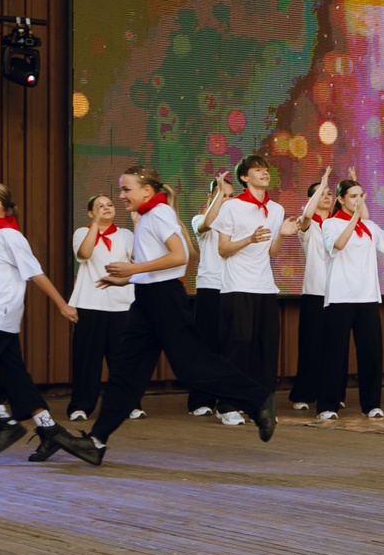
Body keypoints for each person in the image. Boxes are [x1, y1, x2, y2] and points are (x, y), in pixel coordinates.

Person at [74, 168, 283, 461]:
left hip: (165, 300)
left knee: (191, 366)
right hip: (148, 298)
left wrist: (132, 270)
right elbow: (161, 262)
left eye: (126, 189)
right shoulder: (148, 215)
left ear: (146, 190)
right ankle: (96, 441)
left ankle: (258, 398)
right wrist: (131, 279)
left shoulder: (158, 212)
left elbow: (180, 256)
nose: (121, 195)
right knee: (126, 371)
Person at [0, 184, 98, 462]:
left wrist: (62, 304)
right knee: (15, 376)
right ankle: (50, 431)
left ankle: (4, 423)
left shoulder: (10, 236)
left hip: (0, 313)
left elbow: (35, 273)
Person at [210, 155, 307, 425]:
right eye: (258, 170)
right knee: (238, 344)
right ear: (244, 177)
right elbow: (223, 249)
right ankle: (227, 404)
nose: (264, 173)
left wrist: (282, 234)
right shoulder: (231, 207)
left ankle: (261, 404)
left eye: (266, 169)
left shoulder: (275, 209)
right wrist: (249, 238)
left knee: (266, 347)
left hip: (265, 286)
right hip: (237, 286)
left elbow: (271, 252)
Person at [315, 178, 384, 420]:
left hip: (368, 296)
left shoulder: (369, 226)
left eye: (361, 195)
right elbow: (337, 246)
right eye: (353, 196)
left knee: (371, 353)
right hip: (340, 297)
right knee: (334, 354)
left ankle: (372, 404)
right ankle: (327, 406)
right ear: (341, 199)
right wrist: (354, 218)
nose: (358, 200)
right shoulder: (330, 224)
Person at [65, 194, 135, 422]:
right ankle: (80, 406)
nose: (106, 208)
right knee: (87, 359)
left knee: (122, 360)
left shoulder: (125, 235)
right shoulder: (82, 232)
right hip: (90, 303)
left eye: (109, 205)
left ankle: (128, 404)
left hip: (121, 304)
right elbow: (83, 254)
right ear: (90, 212)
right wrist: (95, 224)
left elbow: (137, 258)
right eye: (100, 206)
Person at [291, 177, 338, 410]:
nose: (328, 196)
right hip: (315, 292)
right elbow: (307, 215)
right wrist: (322, 182)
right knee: (311, 345)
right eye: (322, 192)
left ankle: (330, 393)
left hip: (338, 293)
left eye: (330, 192)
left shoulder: (337, 223)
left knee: (333, 347)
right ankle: (304, 394)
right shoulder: (308, 224)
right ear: (311, 199)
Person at [186, 177, 230, 416]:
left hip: (236, 288)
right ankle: (201, 400)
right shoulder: (200, 219)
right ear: (211, 198)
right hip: (210, 288)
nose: (227, 200)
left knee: (231, 347)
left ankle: (229, 399)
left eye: (231, 196)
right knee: (207, 347)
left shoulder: (241, 223)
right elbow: (207, 223)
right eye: (223, 195)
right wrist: (219, 195)